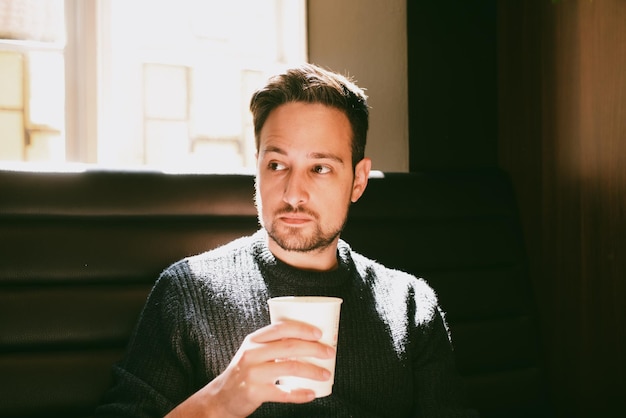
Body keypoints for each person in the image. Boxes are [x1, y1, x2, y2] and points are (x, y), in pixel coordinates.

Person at [95, 63, 477, 418]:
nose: (294, 193)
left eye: (320, 168)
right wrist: (221, 401)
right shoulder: (188, 291)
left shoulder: (409, 305)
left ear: (358, 181)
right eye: (277, 165)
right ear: (256, 168)